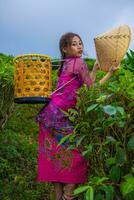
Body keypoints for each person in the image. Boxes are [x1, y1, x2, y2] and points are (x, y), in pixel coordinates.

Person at [36, 32, 117, 200]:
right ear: (65, 48)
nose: (80, 46)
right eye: (74, 44)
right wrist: (109, 74)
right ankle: (68, 196)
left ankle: (61, 197)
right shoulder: (78, 62)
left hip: (49, 117)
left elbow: (84, 89)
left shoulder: (66, 64)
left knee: (55, 161)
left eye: (80, 43)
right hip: (61, 119)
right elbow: (91, 91)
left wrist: (94, 69)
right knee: (76, 158)